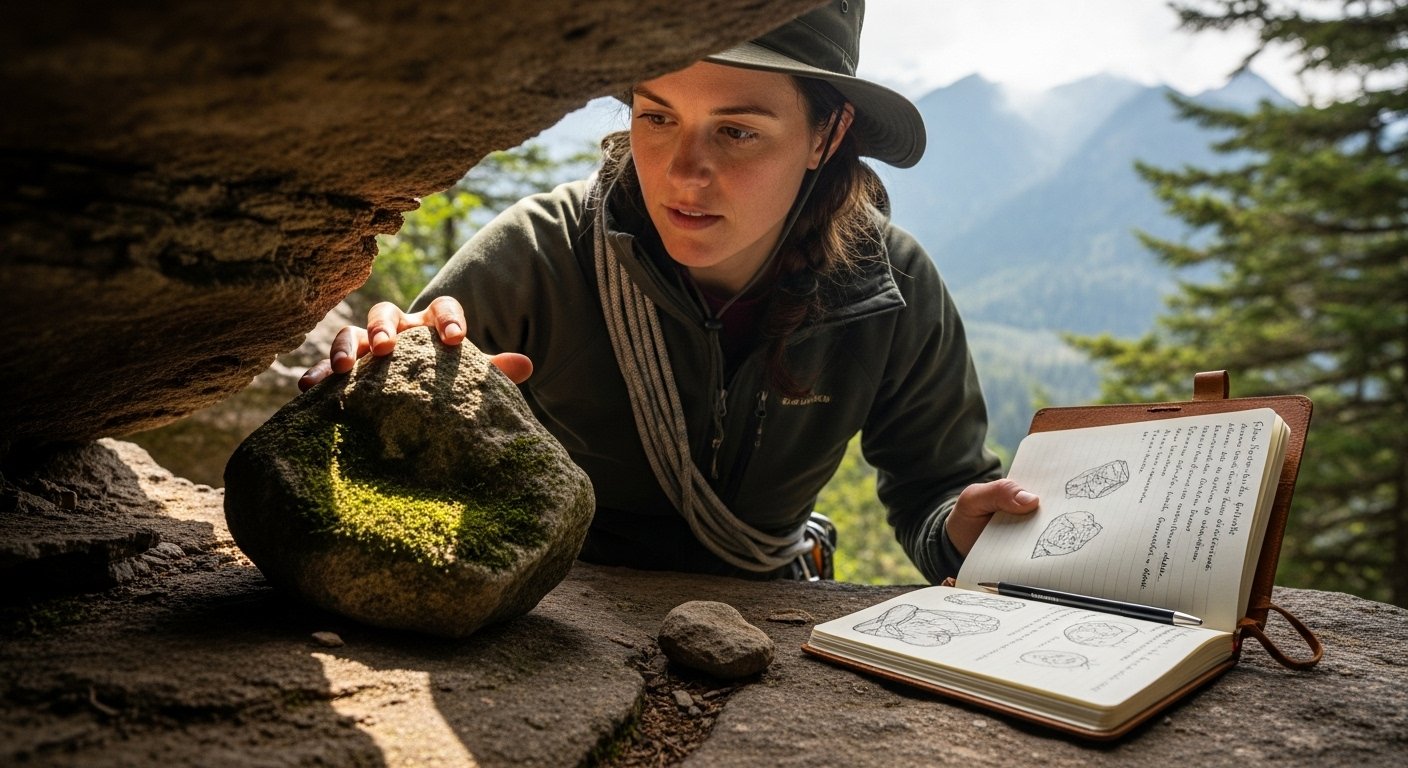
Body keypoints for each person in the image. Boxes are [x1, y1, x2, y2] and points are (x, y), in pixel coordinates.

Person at [300, 0, 1039, 582]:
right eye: (657, 117)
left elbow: (938, 490)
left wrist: (962, 529)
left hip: (768, 605)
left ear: (827, 134)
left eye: (737, 132)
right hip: (565, 612)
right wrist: (377, 380)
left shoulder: (889, 287)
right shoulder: (540, 255)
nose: (684, 172)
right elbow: (375, 434)